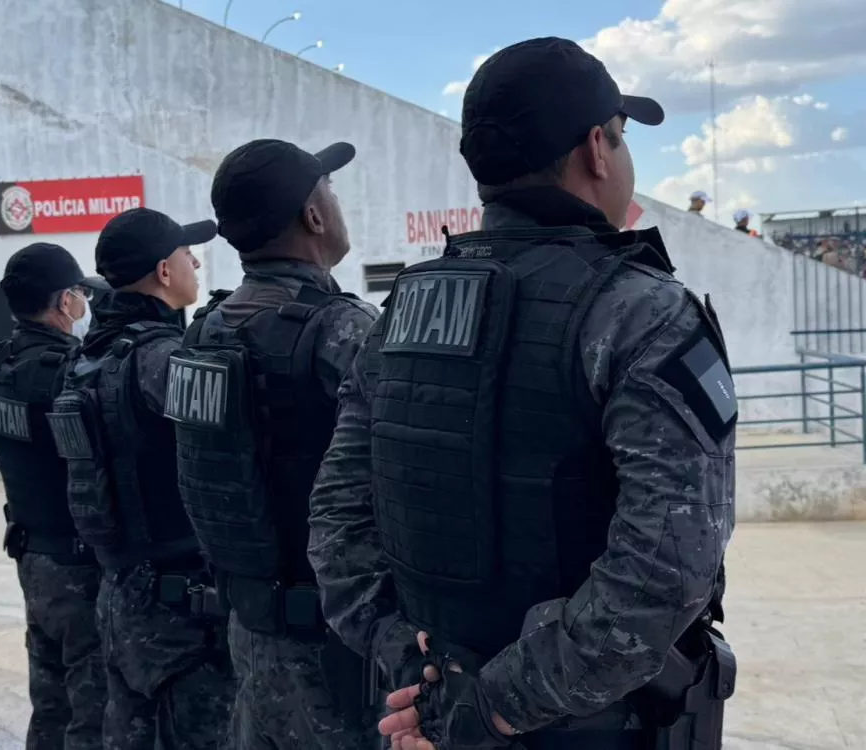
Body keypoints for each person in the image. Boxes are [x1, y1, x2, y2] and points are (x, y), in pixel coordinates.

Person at [307, 36, 737, 750]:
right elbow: (668, 568)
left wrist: (411, 668)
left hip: (429, 714)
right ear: (597, 148)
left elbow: (336, 522)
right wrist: (492, 706)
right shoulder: (643, 312)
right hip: (582, 727)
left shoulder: (401, 314)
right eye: (623, 135)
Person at [167, 138, 380, 749]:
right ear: (313, 215)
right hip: (336, 650)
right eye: (328, 190)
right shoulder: (344, 329)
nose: (336, 203)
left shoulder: (205, 332)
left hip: (251, 631)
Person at [52, 208, 234, 749]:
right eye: (186, 255)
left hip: (120, 594)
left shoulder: (86, 359)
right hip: (177, 610)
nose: (195, 264)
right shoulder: (159, 359)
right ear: (163, 270)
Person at [0, 242, 105, 750]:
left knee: (51, 701)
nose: (84, 303)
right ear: (64, 301)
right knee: (92, 709)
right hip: (76, 564)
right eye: (80, 294)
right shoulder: (67, 370)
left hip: (32, 553)